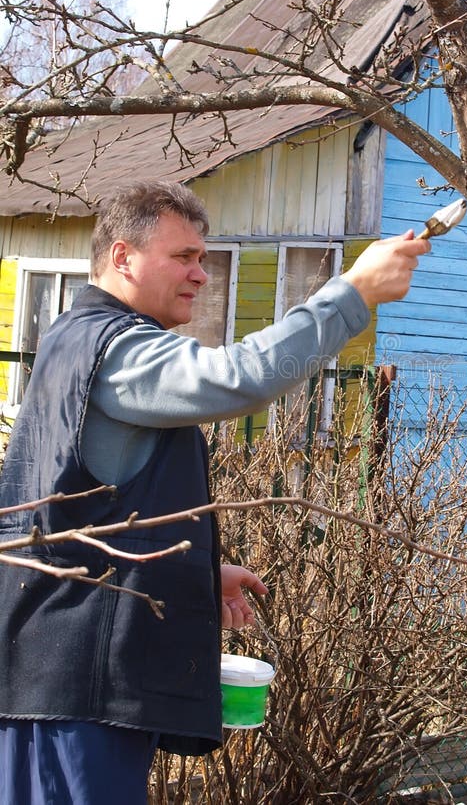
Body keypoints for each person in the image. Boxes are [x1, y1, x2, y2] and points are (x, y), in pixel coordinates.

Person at [0, 180, 430, 804]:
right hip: (73, 688)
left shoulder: (81, 338)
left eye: (204, 258)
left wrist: (198, 573)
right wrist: (352, 294)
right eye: (184, 258)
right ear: (122, 258)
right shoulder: (115, 350)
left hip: (64, 675)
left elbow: (98, 508)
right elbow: (240, 379)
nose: (201, 275)